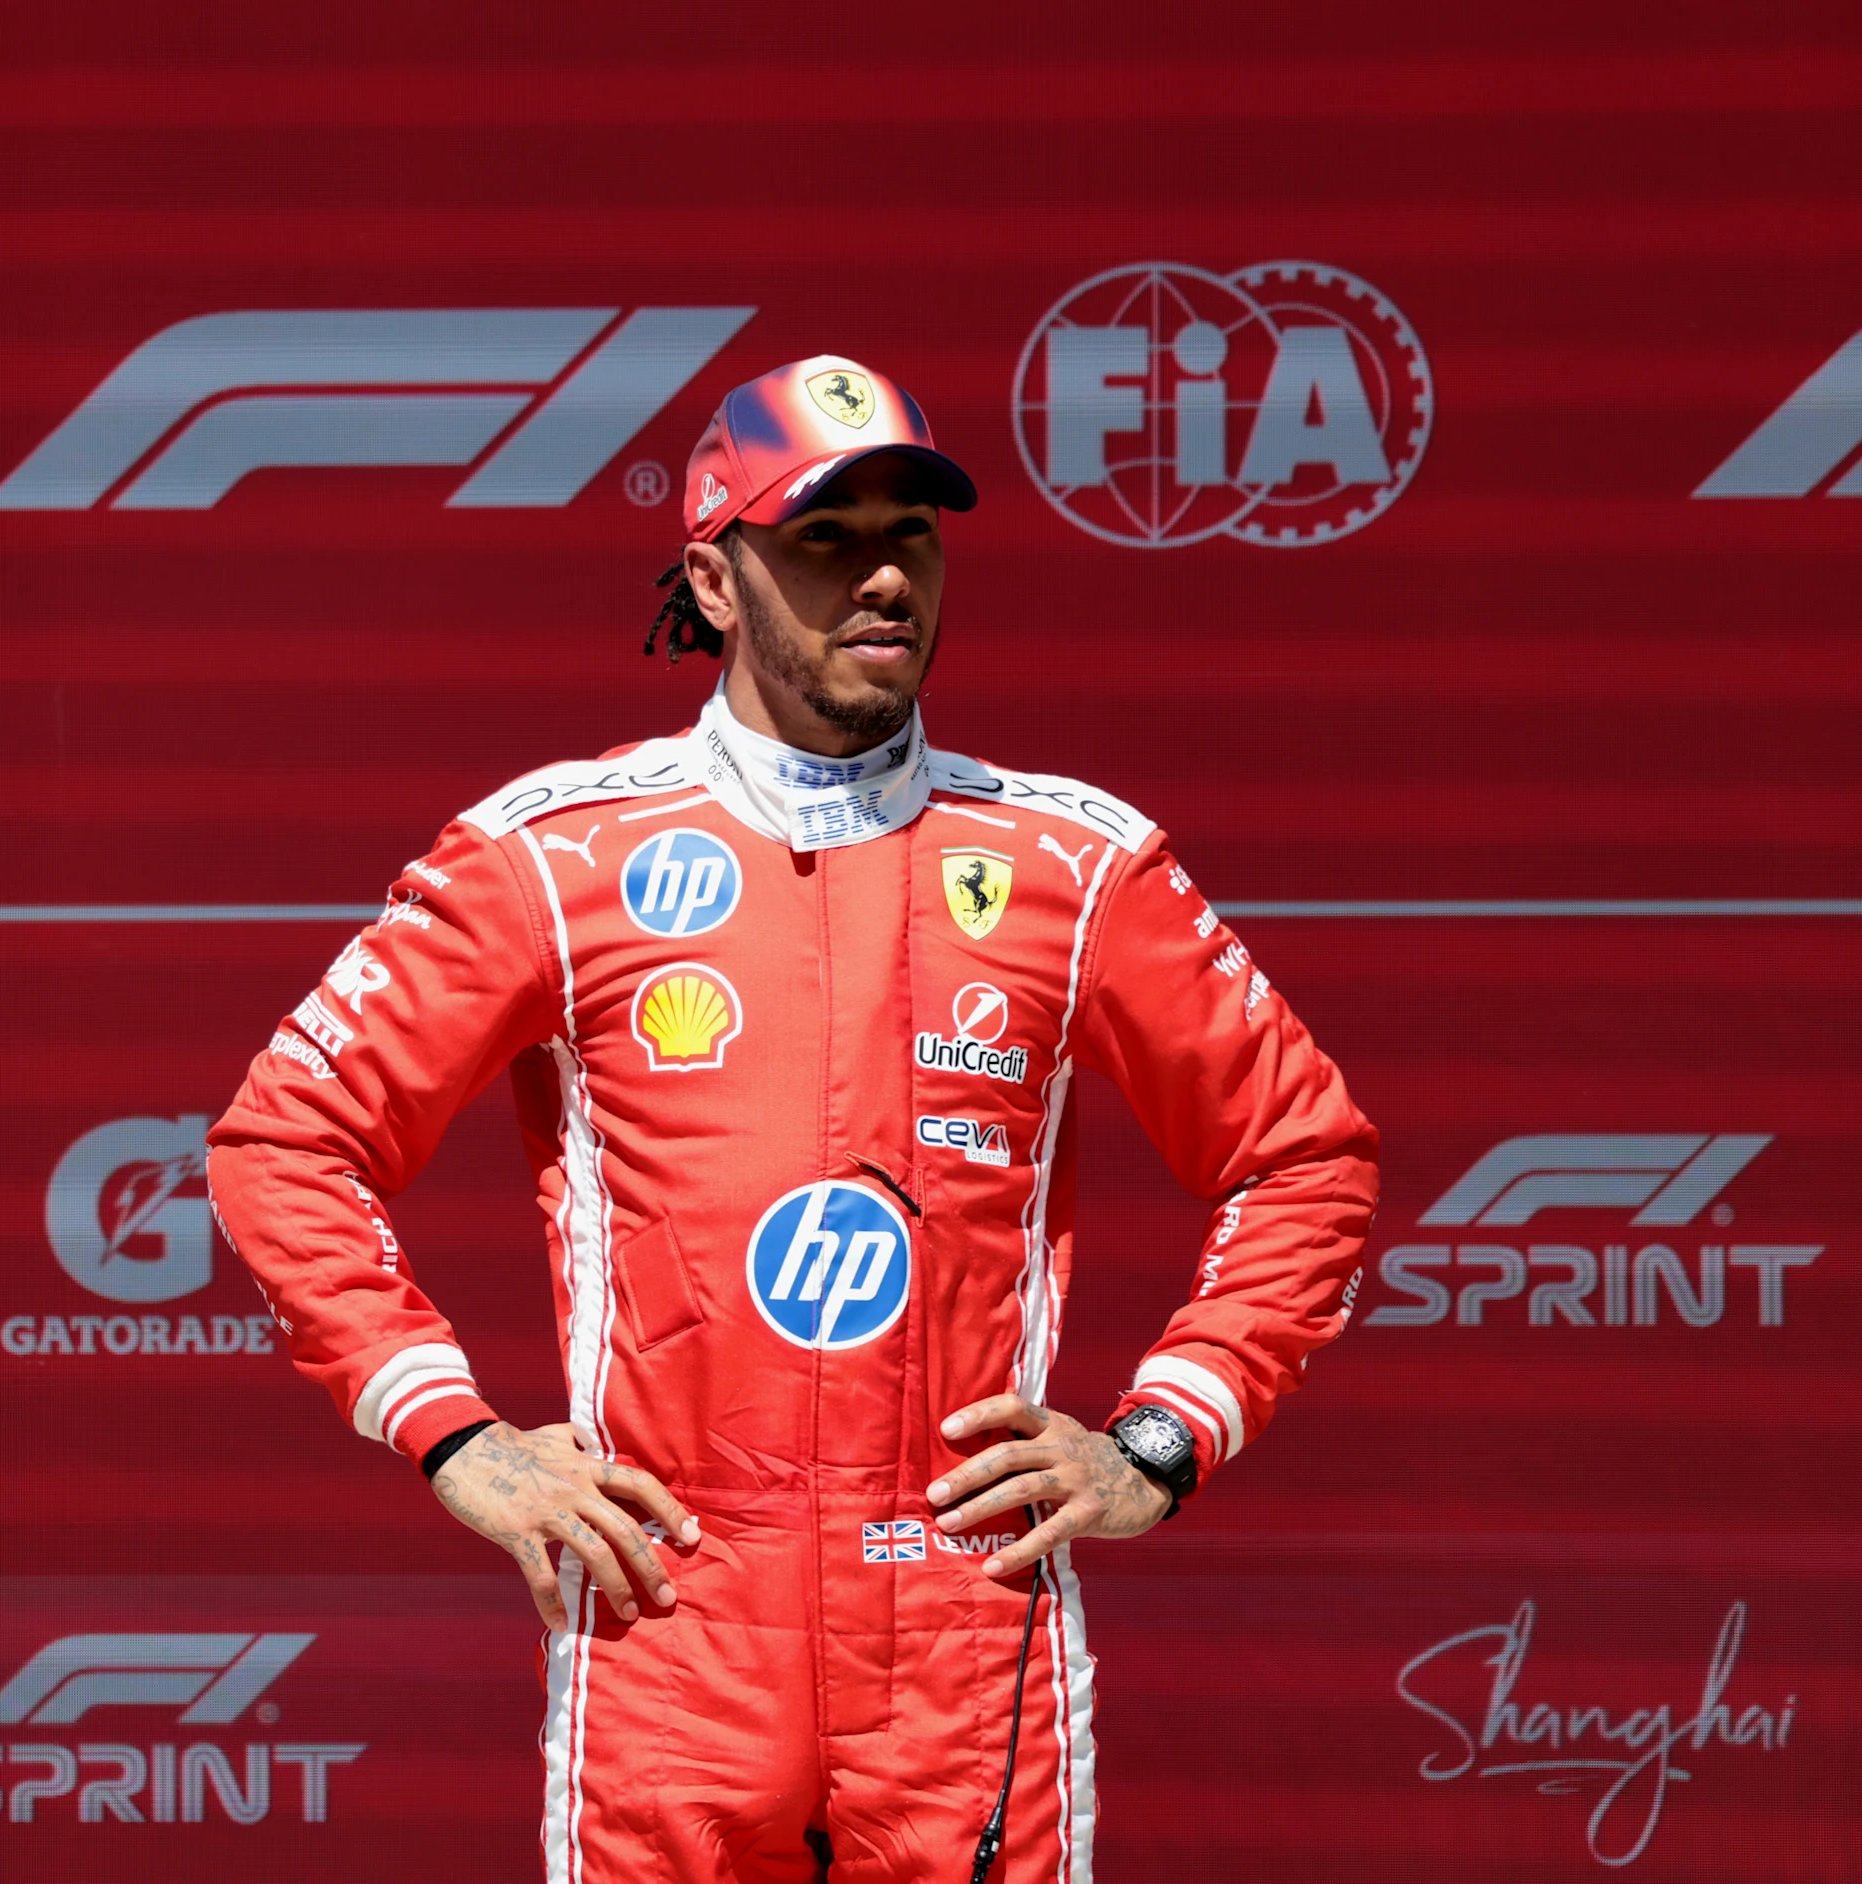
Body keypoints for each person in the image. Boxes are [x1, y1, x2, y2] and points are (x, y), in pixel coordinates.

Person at [204, 355, 1376, 1883]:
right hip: (669, 1615)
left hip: (968, 1631)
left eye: (915, 532)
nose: (885, 574)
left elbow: (1305, 1159)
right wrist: (453, 1434)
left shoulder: (1072, 867)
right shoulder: (554, 858)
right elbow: (284, 1142)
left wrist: (1158, 1441)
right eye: (825, 537)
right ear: (713, 571)